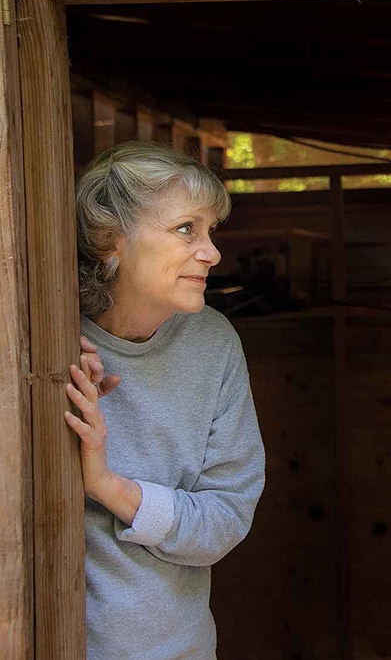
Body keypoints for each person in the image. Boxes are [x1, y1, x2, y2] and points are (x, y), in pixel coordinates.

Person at [64, 141, 266, 660]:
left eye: (210, 230)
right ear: (112, 239)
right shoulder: (44, 339)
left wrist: (107, 486)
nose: (213, 252)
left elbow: (227, 517)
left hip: (183, 649)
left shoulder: (212, 342)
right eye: (185, 229)